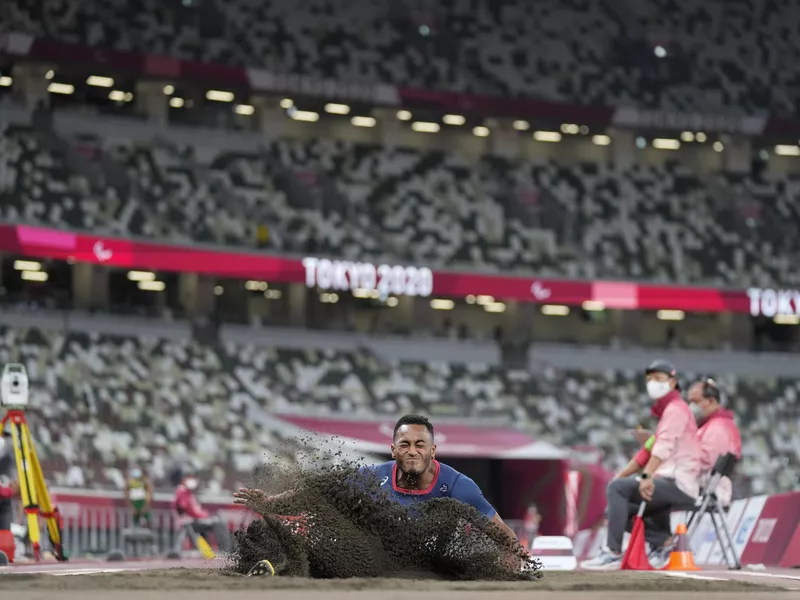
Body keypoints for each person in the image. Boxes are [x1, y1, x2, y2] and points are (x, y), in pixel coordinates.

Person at [234, 414, 520, 573]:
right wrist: (271, 502)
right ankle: (273, 568)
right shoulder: (373, 476)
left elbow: (502, 532)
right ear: (393, 449)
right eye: (404, 444)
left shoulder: (459, 486)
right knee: (318, 539)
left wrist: (516, 561)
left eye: (420, 444)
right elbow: (316, 490)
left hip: (428, 563)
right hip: (371, 557)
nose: (412, 451)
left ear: (432, 450)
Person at [581, 360, 702, 570]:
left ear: (673, 382)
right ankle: (663, 543)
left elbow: (661, 447)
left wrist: (645, 477)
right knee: (616, 505)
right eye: (649, 379)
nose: (652, 383)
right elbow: (646, 451)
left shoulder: (677, 410)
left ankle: (612, 552)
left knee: (619, 489)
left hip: (680, 484)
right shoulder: (668, 413)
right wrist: (621, 475)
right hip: (666, 481)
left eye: (658, 378)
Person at [687, 377, 743, 508]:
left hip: (716, 493)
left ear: (711, 401)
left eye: (695, 402)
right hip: (707, 490)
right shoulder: (709, 425)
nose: (691, 407)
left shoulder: (719, 427)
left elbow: (706, 463)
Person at [174, 473, 232, 553]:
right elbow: (186, 508)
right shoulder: (182, 490)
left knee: (217, 521)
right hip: (191, 522)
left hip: (195, 520)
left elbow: (194, 509)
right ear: (184, 479)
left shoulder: (188, 492)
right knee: (219, 523)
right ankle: (225, 551)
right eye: (189, 478)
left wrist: (206, 515)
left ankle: (218, 550)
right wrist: (205, 516)